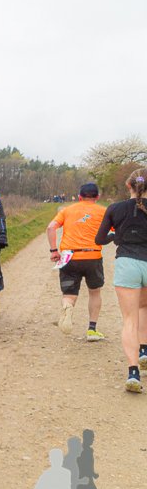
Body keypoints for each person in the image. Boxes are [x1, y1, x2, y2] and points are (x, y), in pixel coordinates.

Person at [95, 168, 147, 393]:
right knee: (144, 308)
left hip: (127, 264)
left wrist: (116, 236)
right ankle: (144, 350)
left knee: (129, 319)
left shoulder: (115, 208)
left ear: (128, 185)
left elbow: (99, 239)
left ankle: (133, 372)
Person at [46, 183, 107, 340]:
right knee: (95, 292)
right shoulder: (103, 211)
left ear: (79, 197)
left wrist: (54, 250)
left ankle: (67, 307)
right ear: (97, 197)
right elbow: (112, 232)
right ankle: (92, 330)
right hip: (93, 256)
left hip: (69, 257)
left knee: (69, 293)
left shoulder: (67, 210)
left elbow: (51, 228)